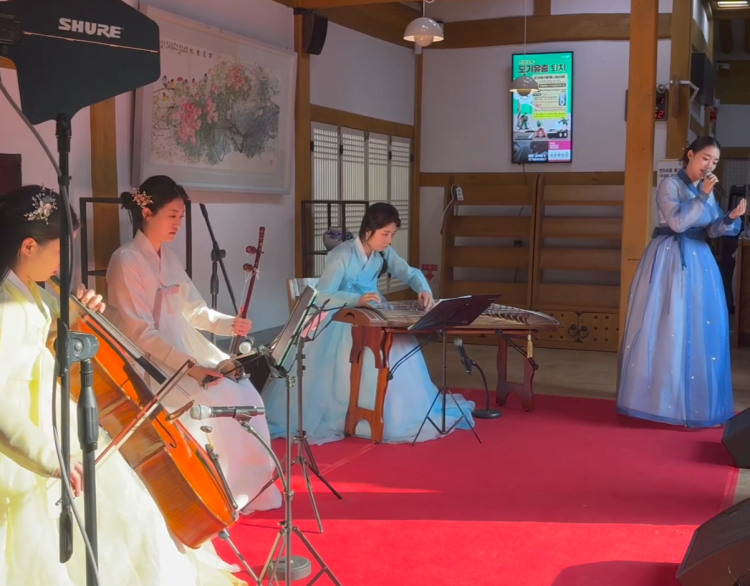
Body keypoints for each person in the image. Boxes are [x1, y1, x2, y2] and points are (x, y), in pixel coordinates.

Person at [0, 185, 244, 585]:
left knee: (137, 515)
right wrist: (48, 456)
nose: (64, 263)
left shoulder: (36, 292)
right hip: (32, 445)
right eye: (61, 250)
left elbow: (63, 332)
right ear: (29, 246)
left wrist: (82, 312)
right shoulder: (7, 307)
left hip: (58, 428)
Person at [104, 175, 280, 513]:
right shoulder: (125, 259)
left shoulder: (168, 257)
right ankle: (215, 490)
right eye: (171, 215)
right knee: (220, 399)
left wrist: (230, 323)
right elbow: (141, 334)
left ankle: (243, 487)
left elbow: (194, 310)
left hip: (182, 353)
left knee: (247, 396)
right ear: (147, 213)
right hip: (147, 361)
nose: (177, 224)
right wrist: (192, 368)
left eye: (181, 217)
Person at [264, 202, 476, 444]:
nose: (389, 240)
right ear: (368, 231)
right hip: (341, 316)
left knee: (398, 344)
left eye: (392, 234)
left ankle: (392, 413)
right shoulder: (341, 254)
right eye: (385, 234)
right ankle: (350, 415)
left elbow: (410, 273)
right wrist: (357, 299)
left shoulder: (383, 253)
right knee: (359, 351)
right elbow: (322, 295)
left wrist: (424, 289)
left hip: (373, 312)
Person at [617, 136, 746, 427]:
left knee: (698, 326)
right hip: (671, 259)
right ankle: (662, 400)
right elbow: (677, 223)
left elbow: (711, 230)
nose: (709, 165)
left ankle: (693, 401)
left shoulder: (706, 190)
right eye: (705, 158)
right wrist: (701, 196)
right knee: (669, 325)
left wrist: (729, 217)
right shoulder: (671, 185)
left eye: (714, 162)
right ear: (690, 155)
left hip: (700, 261)